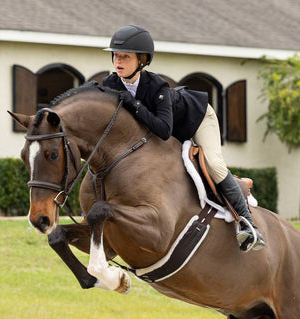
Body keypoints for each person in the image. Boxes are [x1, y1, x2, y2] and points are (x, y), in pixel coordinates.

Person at [102, 25, 266, 252]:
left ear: (142, 60)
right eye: (116, 55)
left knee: (214, 164)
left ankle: (248, 225)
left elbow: (163, 130)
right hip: (167, 131)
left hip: (198, 118)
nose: (118, 61)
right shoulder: (110, 85)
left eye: (125, 56)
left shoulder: (156, 85)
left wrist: (134, 104)